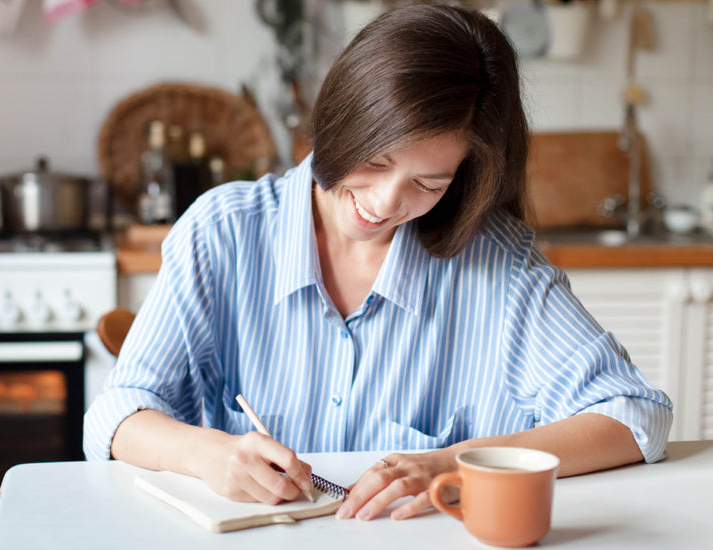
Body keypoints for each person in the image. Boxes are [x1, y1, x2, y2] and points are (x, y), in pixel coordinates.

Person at [84, 3, 672, 522]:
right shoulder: (222, 232)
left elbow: (634, 415)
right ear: (342, 116)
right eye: (375, 157)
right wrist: (210, 455)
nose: (387, 203)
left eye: (428, 182)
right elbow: (116, 414)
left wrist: (454, 466)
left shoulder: (496, 264)